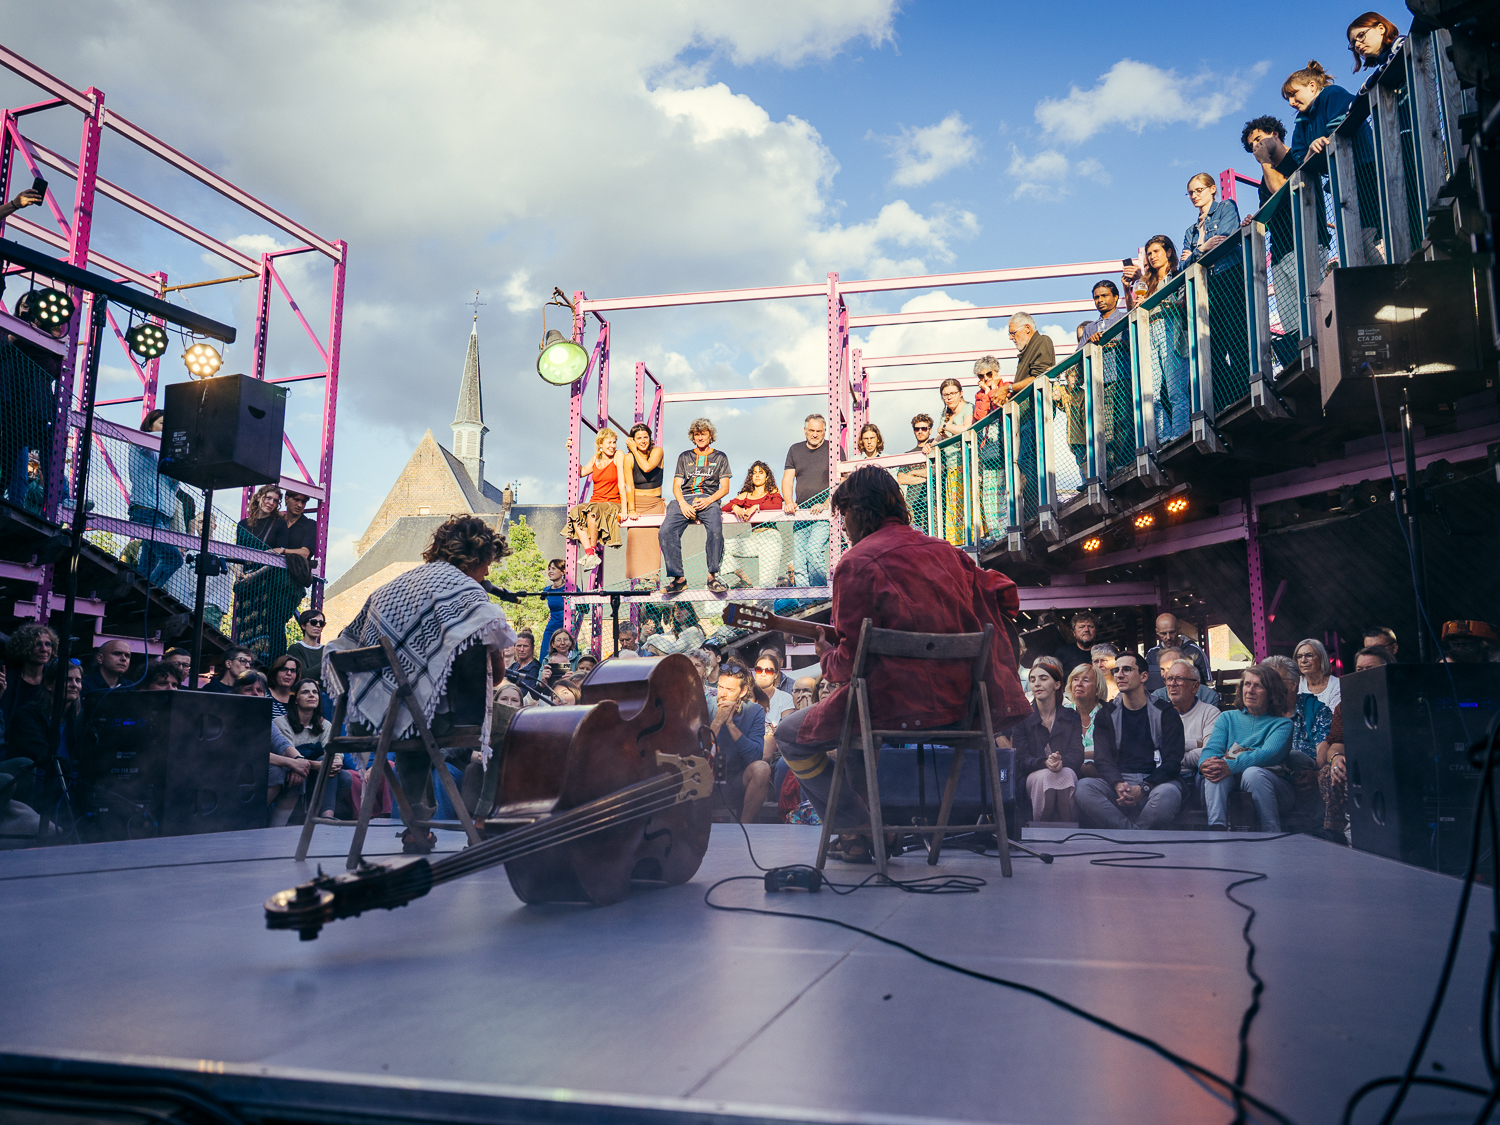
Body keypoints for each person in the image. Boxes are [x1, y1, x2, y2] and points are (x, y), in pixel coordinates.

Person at [772, 467, 1030, 861]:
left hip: (891, 708)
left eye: (844, 517)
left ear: (859, 512)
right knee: (855, 723)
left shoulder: (855, 564)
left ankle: (856, 828)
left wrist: (826, 652)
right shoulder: (950, 554)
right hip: (962, 707)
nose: (843, 528)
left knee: (792, 734)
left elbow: (846, 667)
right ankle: (864, 840)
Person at [324, 515, 517, 851]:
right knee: (518, 725)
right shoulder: (467, 595)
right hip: (430, 718)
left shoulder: (390, 589)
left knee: (415, 722)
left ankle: (417, 828)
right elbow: (497, 676)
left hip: (367, 719)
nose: (488, 574)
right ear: (474, 558)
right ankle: (486, 818)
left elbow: (346, 642)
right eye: (487, 565)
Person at [1075, 652, 1186, 830]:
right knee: (1083, 788)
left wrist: (1145, 787)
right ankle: (1131, 832)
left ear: (1144, 676)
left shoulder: (1165, 712)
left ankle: (1132, 833)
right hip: (1120, 781)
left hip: (1156, 782)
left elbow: (1173, 762)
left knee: (1169, 794)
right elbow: (1103, 759)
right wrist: (1117, 784)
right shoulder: (1107, 713)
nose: (1119, 675)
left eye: (1127, 670)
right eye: (1116, 670)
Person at [1197, 665, 1294, 831]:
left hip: (1274, 787)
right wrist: (1205, 763)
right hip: (1229, 784)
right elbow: (1211, 750)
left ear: (1271, 693)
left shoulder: (1283, 724)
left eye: (1258, 686)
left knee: (1252, 773)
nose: (1250, 690)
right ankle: (1217, 831)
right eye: (1247, 684)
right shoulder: (1227, 718)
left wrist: (1231, 763)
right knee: (1215, 770)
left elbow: (1268, 754)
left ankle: (1271, 835)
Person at [1320, 646, 1391, 843]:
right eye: (1359, 670)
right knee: (1330, 771)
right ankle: (1341, 833)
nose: (1363, 674)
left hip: (1393, 762)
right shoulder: (1347, 705)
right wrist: (1336, 759)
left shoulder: (1399, 698)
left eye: (1371, 668)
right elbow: (1335, 744)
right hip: (1357, 763)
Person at [660, 418, 732, 595]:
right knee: (666, 531)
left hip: (709, 498)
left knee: (715, 530)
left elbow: (725, 488)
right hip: (685, 498)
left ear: (710, 435)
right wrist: (683, 503)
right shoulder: (685, 456)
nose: (700, 437)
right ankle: (678, 579)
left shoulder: (720, 456)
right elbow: (676, 486)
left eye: (704, 434)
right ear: (693, 436)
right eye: (697, 434)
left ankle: (712, 576)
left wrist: (709, 501)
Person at [1008, 657, 1083, 824]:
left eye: (1043, 678)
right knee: (1047, 777)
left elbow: (1078, 755)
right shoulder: (1022, 718)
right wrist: (1044, 763)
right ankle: (1043, 830)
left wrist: (1060, 761)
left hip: (1064, 770)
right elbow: (1021, 759)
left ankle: (1065, 830)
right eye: (1033, 679)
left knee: (1065, 774)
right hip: (1030, 776)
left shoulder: (1072, 717)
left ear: (1057, 685)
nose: (1036, 684)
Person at [233, 484, 298, 664]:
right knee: (246, 625)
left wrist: (253, 575)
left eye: (275, 501)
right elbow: (238, 553)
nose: (271, 503)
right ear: (259, 497)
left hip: (267, 582)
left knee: (268, 628)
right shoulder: (243, 525)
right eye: (268, 498)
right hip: (246, 580)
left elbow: (278, 557)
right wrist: (239, 573)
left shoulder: (279, 524)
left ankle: (269, 667)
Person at [278, 676, 351, 820]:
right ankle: (324, 817)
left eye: (315, 692)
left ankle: (324, 816)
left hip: (317, 774)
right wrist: (317, 765)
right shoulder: (281, 723)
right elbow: (287, 755)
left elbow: (335, 749)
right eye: (305, 692)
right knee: (326, 762)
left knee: (345, 777)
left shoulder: (324, 725)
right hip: (290, 771)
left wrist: (336, 759)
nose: (312, 695)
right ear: (296, 699)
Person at [126, 409, 184, 589]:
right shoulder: (142, 444)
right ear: (150, 426)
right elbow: (144, 443)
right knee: (173, 558)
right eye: (162, 424)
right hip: (146, 512)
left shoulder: (167, 454)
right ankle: (146, 595)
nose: (166, 429)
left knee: (146, 566)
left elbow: (172, 487)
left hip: (162, 516)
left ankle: (137, 598)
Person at [567, 428, 633, 572]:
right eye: (609, 442)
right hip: (596, 501)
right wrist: (571, 453)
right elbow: (581, 472)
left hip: (612, 502)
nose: (613, 446)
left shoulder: (618, 455)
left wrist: (625, 510)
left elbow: (622, 483)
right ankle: (590, 553)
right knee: (575, 512)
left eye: (614, 442)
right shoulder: (595, 458)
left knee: (592, 512)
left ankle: (593, 550)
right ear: (600, 444)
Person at [712, 662, 771, 825]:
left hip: (738, 778)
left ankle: (744, 827)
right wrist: (718, 721)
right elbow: (697, 751)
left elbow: (755, 755)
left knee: (762, 768)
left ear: (743, 691)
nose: (722, 694)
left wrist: (731, 725)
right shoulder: (707, 705)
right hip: (709, 778)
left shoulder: (754, 711)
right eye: (720, 687)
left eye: (730, 690)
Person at [781, 414, 831, 590]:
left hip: (824, 514)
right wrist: (789, 501)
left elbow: (841, 481)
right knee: (800, 561)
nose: (815, 434)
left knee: (814, 550)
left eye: (819, 431)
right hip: (801, 513)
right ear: (805, 431)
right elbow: (788, 480)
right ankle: (805, 602)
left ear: (825, 431)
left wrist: (826, 504)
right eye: (811, 430)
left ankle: (820, 596)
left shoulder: (832, 449)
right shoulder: (795, 450)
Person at [721, 460, 785, 590]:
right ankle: (744, 579)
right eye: (754, 473)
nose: (756, 475)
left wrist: (756, 506)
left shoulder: (771, 491)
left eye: (760, 473)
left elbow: (777, 506)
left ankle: (767, 609)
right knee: (719, 546)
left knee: (766, 587)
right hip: (754, 538)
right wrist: (735, 506)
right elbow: (724, 508)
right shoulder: (746, 495)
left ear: (767, 477)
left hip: (771, 538)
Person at [1283, 61, 1355, 165]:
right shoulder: (1300, 123)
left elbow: (1340, 128)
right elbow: (1299, 156)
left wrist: (1323, 143)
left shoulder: (1332, 94)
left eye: (1293, 94)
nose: (1291, 102)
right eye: (1288, 98)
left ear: (1312, 86)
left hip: (1366, 164)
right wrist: (1311, 152)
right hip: (1336, 173)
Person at [623, 424, 666, 589]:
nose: (642, 441)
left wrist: (634, 450)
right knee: (636, 540)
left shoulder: (658, 452)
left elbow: (647, 467)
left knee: (653, 542)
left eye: (645, 437)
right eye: (638, 438)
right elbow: (630, 486)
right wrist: (631, 509)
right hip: (637, 503)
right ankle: (640, 581)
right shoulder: (628, 458)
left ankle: (652, 579)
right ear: (633, 440)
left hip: (655, 503)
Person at [1164, 659, 1221, 776]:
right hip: (1164, 777)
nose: (1172, 684)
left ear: (1195, 686)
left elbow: (1210, 754)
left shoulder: (1210, 713)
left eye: (1179, 678)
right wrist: (1195, 744)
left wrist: (1172, 757)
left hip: (1197, 776)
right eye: (1169, 678)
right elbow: (1154, 752)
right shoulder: (1159, 713)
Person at [934, 380, 973, 545]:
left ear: (960, 392)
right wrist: (931, 444)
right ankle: (957, 543)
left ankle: (973, 539)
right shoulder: (945, 415)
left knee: (968, 503)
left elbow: (967, 428)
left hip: (966, 465)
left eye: (952, 393)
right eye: (945, 395)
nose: (949, 398)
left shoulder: (968, 407)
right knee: (954, 506)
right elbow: (940, 437)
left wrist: (946, 427)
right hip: (951, 467)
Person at [2, 624, 57, 735]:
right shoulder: (7, 676)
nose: (44, 649)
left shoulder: (53, 679)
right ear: (24, 646)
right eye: (37, 644)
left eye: (48, 644)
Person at [1179, 174, 1240, 269]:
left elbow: (1224, 243)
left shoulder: (1226, 207)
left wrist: (1193, 257)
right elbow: (1182, 267)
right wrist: (1203, 248)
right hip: (1206, 279)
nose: (1194, 196)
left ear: (1212, 189)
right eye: (1191, 193)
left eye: (1199, 190)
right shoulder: (1191, 232)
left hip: (1230, 273)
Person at [1144, 613, 1211, 693]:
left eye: (1172, 632)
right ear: (1157, 632)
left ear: (1178, 629)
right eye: (1164, 633)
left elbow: (1208, 684)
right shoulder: (1152, 654)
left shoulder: (1194, 651)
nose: (1168, 637)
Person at [1242, 116, 1298, 205]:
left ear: (1275, 134)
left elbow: (1281, 189)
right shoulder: (1265, 181)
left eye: (1258, 139)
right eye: (1251, 145)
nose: (1255, 146)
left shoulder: (1297, 156)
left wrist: (1264, 160)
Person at [1063, 662, 1106, 778]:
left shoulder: (1107, 714)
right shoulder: (1063, 714)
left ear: (1097, 689)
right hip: (1068, 769)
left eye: (1086, 680)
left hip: (1102, 772)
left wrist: (1077, 756)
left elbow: (1107, 752)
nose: (1079, 684)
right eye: (1075, 679)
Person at [894, 414, 935, 529]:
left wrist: (912, 473)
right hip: (911, 505)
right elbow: (901, 478)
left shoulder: (934, 448)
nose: (920, 431)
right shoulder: (908, 455)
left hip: (933, 502)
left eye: (924, 428)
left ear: (930, 430)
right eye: (917, 429)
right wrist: (925, 475)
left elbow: (937, 471)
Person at [1348, 12, 1404, 91]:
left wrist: (1367, 85)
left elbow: (1391, 62)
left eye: (1361, 35)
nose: (1357, 44)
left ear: (1381, 28)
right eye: (1353, 43)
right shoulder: (1380, 71)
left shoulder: (1401, 43)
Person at [1007, 312, 1056, 401]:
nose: (1011, 337)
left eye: (1013, 333)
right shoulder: (1027, 350)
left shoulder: (1042, 341)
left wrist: (1009, 388)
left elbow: (1039, 377)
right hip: (1030, 412)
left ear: (1027, 328)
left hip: (1037, 411)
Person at [1149, 648, 1219, 708]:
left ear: (1186, 666)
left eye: (1170, 668)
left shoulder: (1207, 696)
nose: (1165, 675)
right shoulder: (1156, 697)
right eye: (1162, 669)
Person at [751, 652, 794, 739]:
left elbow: (785, 731)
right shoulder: (746, 696)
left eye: (768, 671)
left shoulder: (785, 698)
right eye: (759, 670)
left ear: (776, 674)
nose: (763, 674)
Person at [1294, 638, 1340, 710]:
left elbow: (1335, 718)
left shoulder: (1336, 685)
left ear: (1321, 658)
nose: (1303, 660)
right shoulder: (1295, 683)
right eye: (1299, 656)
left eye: (1309, 655)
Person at [1081, 280, 1127, 345]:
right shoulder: (1089, 328)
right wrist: (1089, 343)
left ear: (1116, 297)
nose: (1100, 300)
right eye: (1096, 297)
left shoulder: (1126, 318)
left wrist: (1121, 344)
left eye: (1104, 296)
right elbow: (1079, 354)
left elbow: (1140, 341)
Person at [286, 609, 326, 681]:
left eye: (321, 623)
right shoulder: (296, 648)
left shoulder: (326, 649)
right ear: (303, 626)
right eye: (313, 622)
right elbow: (303, 675)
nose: (318, 625)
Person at [1054, 612, 1097, 676]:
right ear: (1074, 632)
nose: (1086, 630)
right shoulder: (1063, 653)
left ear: (1095, 630)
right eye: (1081, 627)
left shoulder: (1103, 652)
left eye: (1090, 626)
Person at [539, 559, 567, 659]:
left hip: (566, 629)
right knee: (544, 657)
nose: (550, 571)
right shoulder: (547, 590)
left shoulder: (570, 588)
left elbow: (584, 609)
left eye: (554, 568)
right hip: (551, 629)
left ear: (563, 571)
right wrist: (549, 614)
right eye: (549, 569)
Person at [971, 356, 1006, 423]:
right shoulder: (979, 395)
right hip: (989, 432)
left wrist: (994, 388)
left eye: (989, 374)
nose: (986, 378)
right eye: (981, 376)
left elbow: (1001, 410)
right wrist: (987, 392)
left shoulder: (1006, 387)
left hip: (1004, 430)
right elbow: (980, 418)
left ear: (996, 372)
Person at [267, 653, 300, 719]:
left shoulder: (299, 698)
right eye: (284, 669)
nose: (289, 673)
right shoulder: (264, 694)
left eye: (293, 671)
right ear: (275, 672)